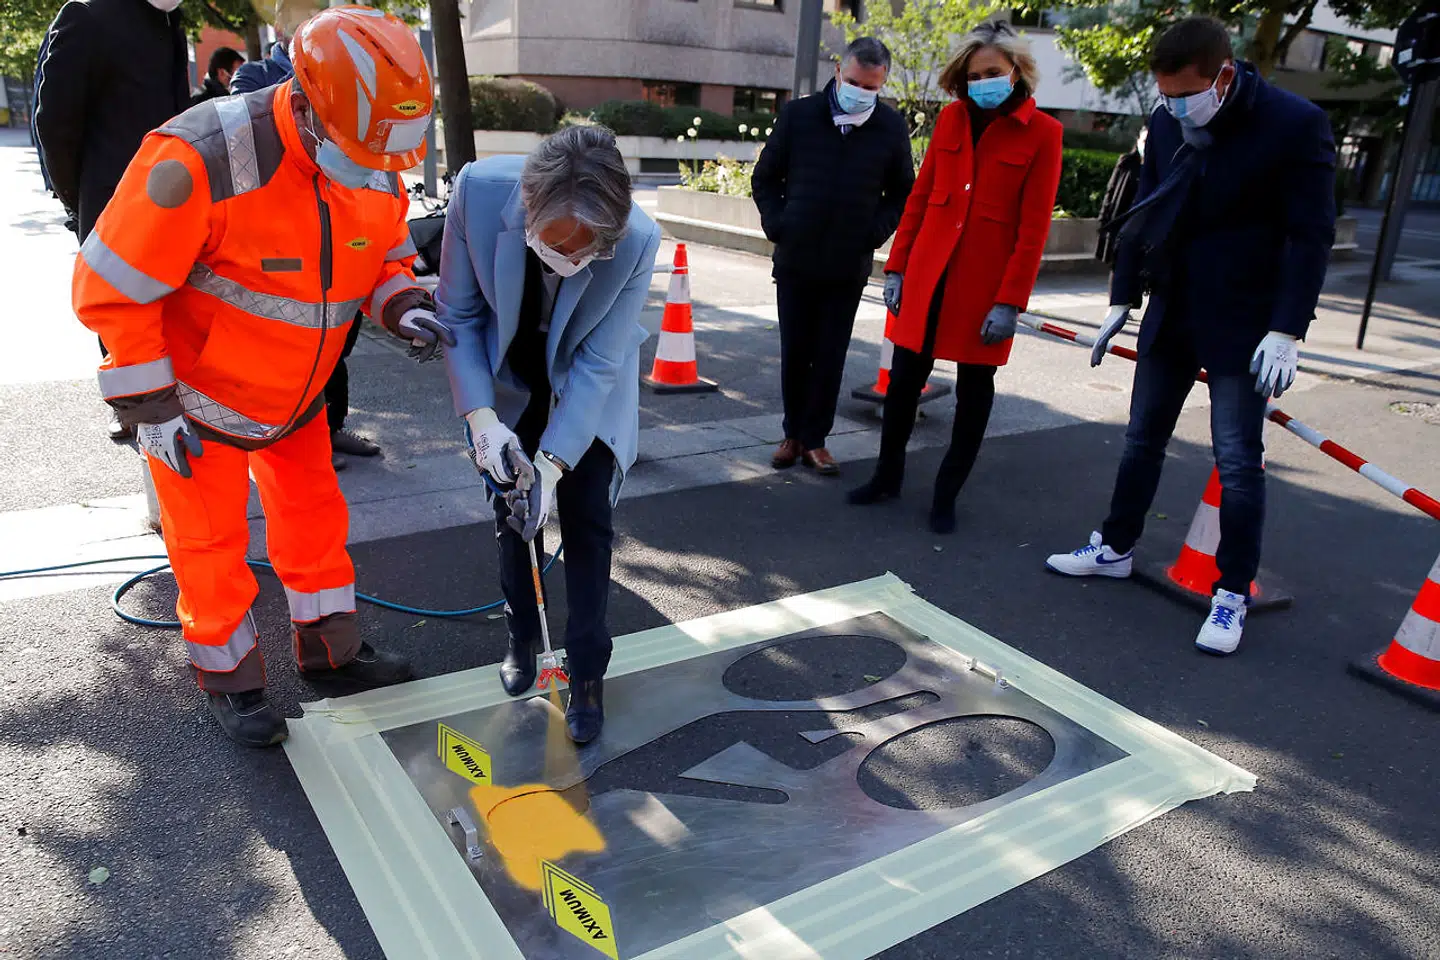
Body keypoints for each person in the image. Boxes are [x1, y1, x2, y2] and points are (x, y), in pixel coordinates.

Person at [71, 7, 442, 747]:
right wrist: (151, 407)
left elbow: (386, 253)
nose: (374, 172)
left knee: (313, 526)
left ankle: (331, 653)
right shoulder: (198, 158)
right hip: (197, 403)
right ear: (303, 104)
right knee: (209, 548)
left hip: (296, 401)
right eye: (356, 152)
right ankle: (233, 682)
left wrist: (402, 303)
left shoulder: (370, 152)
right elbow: (111, 288)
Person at [1046, 17, 1336, 656]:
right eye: (1166, 95)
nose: (1174, 105)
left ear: (1224, 76)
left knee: (1236, 461)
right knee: (1141, 438)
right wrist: (1123, 297)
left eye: (1185, 93)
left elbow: (1310, 236)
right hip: (1171, 307)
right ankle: (1115, 547)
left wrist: (1288, 329)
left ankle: (1231, 594)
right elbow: (1144, 206)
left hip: (1243, 320)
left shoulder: (1294, 125)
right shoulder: (1171, 117)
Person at [437, 126, 661, 745]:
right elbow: (458, 314)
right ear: (529, 207)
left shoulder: (637, 240)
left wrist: (556, 463)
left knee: (587, 520)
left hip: (588, 379)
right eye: (558, 242)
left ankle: (587, 671)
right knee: (514, 512)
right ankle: (521, 636)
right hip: (507, 368)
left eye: (588, 250)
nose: (571, 257)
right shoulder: (479, 194)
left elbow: (597, 365)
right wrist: (483, 423)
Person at [848, 20, 1063, 534]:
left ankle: (946, 494)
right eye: (973, 75)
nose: (982, 82)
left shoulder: (1045, 134)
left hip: (984, 289)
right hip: (928, 275)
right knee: (902, 386)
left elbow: (1033, 230)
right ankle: (887, 476)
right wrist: (897, 266)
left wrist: (1010, 302)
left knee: (974, 393)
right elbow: (921, 197)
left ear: (1016, 70)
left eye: (992, 72)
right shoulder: (951, 119)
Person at [751, 37, 913, 476]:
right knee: (795, 351)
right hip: (797, 259)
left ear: (882, 84)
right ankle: (792, 434)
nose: (862, 92)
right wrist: (779, 225)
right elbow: (765, 178)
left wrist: (874, 233)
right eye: (856, 82)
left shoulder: (890, 127)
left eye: (873, 87)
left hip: (848, 263)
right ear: (840, 71)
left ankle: (816, 440)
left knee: (830, 355)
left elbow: (902, 191)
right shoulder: (799, 115)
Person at [229, 6, 381, 470]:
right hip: (281, 230)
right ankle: (282, 435)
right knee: (287, 336)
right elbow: (258, 129)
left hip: (340, 216)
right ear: (280, 25)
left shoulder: (348, 71)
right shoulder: (256, 76)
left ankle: (329, 427)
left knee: (336, 333)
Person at [33, 0, 190, 441]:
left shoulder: (168, 21)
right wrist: (79, 200)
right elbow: (55, 124)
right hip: (112, 201)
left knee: (173, 307)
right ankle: (132, 413)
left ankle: (172, 406)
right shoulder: (87, 16)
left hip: (173, 199)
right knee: (122, 314)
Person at [1095, 126, 1145, 265]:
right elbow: (1111, 190)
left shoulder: (1156, 167)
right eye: (1144, 141)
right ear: (1138, 141)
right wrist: (1104, 217)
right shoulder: (1126, 162)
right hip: (1121, 221)